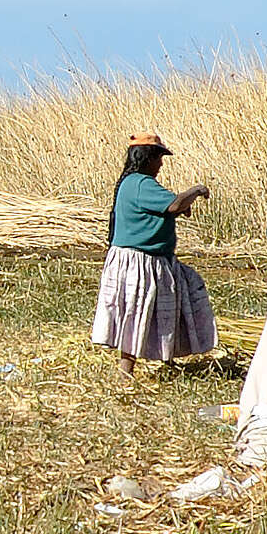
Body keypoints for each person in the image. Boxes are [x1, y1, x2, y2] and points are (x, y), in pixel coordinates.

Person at [90, 132, 215, 378]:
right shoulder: (141, 183)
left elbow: (166, 207)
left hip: (147, 260)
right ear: (147, 158)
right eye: (159, 158)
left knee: (165, 309)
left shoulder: (131, 183)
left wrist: (180, 205)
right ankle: (126, 373)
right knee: (137, 315)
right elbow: (174, 205)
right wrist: (197, 191)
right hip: (140, 263)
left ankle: (167, 360)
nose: (160, 164)